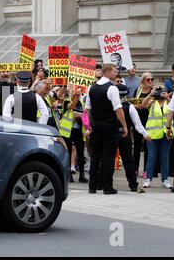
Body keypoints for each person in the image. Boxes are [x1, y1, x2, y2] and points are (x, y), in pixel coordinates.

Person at [87, 64, 128, 195]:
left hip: (96, 125)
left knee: (95, 155)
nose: (116, 74)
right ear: (108, 72)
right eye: (115, 71)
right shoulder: (112, 88)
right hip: (109, 125)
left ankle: (92, 186)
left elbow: (88, 109)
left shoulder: (91, 87)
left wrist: (91, 124)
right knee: (108, 156)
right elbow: (118, 109)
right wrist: (125, 125)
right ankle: (107, 186)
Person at [116, 84, 151, 191]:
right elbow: (138, 124)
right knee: (128, 161)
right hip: (125, 136)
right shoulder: (130, 106)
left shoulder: (110, 105)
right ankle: (133, 185)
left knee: (107, 159)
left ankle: (103, 183)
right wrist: (145, 134)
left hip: (112, 135)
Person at [141, 85, 173, 188]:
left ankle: (165, 180)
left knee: (165, 158)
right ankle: (148, 179)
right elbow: (143, 104)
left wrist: (167, 97)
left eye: (163, 90)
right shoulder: (152, 102)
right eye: (158, 90)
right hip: (152, 135)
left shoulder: (169, 103)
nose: (160, 92)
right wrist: (150, 94)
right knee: (151, 157)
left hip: (166, 134)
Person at [60, 89, 88, 183]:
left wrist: (80, 118)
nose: (75, 93)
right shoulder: (67, 101)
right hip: (68, 131)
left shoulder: (81, 103)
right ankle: (69, 175)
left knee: (80, 153)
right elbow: (71, 107)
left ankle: (82, 176)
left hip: (79, 130)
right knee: (68, 153)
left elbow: (84, 116)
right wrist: (76, 97)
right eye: (74, 91)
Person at [132, 72, 154, 177]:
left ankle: (146, 170)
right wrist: (135, 106)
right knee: (136, 145)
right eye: (148, 79)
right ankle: (135, 169)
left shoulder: (154, 92)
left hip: (149, 120)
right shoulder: (138, 90)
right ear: (143, 81)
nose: (150, 81)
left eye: (152, 79)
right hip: (138, 119)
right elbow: (132, 102)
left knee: (147, 146)